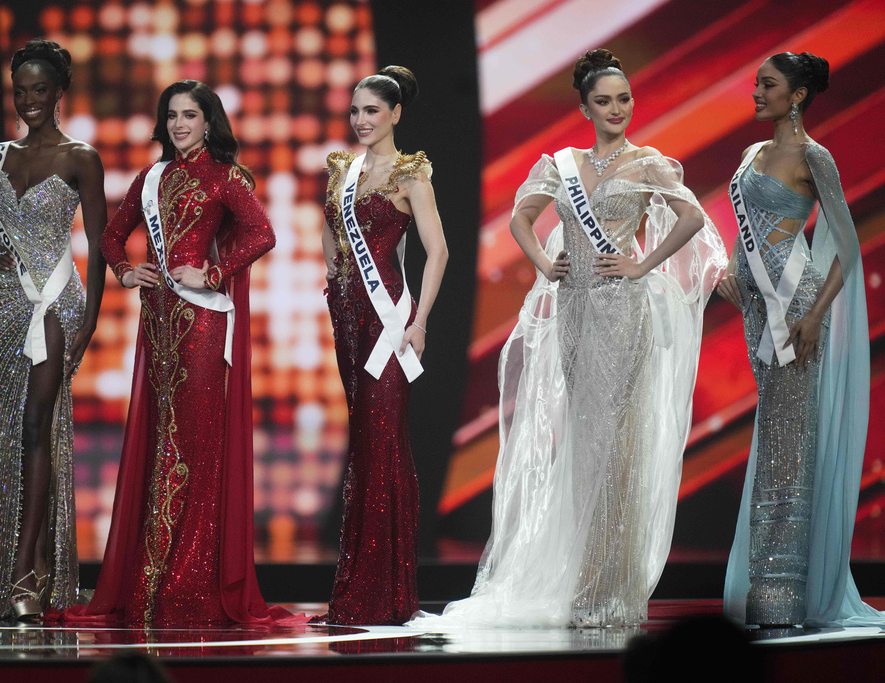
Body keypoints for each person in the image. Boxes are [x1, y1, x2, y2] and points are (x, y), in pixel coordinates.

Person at [409, 49, 724, 629]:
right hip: (575, 312)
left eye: (624, 99)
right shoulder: (562, 164)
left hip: (623, 312)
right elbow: (519, 218)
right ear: (584, 108)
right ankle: (585, 578)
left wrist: (642, 264)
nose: (616, 109)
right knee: (583, 443)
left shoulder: (648, 163)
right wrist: (541, 263)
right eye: (603, 101)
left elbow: (693, 219)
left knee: (617, 443)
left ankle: (607, 589)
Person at [57, 80, 288, 628]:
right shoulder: (152, 177)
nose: (179, 124)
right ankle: (154, 577)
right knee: (161, 441)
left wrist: (213, 273)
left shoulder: (224, 177)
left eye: (190, 115)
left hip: (202, 325)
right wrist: (124, 271)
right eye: (172, 116)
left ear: (209, 122)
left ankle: (187, 580)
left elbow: (262, 234)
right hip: (157, 327)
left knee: (193, 445)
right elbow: (111, 237)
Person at [718, 52, 880, 627]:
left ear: (799, 95)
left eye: (768, 84)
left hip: (796, 309)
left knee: (787, 447)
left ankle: (781, 592)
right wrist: (732, 271)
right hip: (757, 310)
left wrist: (814, 318)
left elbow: (847, 244)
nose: (756, 92)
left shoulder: (816, 157)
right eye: (756, 83)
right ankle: (771, 585)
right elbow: (746, 229)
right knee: (775, 439)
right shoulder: (751, 154)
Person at [0, 39, 107, 622]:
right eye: (20, 92)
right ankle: (29, 566)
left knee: (36, 423)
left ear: (59, 92)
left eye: (39, 90)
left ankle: (24, 571)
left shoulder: (80, 157)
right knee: (13, 430)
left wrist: (89, 322)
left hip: (55, 301)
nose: (29, 101)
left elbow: (98, 243)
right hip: (6, 303)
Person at [321, 65, 448, 625]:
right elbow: (330, 228)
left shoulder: (410, 174)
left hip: (388, 322)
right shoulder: (342, 171)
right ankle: (359, 588)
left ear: (395, 114)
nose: (361, 120)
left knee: (384, 441)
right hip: (346, 320)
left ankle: (387, 593)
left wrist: (419, 322)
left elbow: (438, 251)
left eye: (371, 110)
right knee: (363, 443)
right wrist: (332, 270)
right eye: (355, 111)